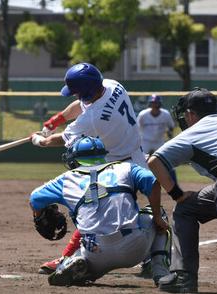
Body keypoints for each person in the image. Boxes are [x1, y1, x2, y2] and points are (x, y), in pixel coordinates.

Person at [31, 62, 148, 274]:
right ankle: (153, 256)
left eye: (77, 92)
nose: (75, 96)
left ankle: (69, 258)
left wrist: (40, 141)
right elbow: (80, 105)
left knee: (91, 209)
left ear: (86, 92)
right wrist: (54, 121)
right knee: (98, 210)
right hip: (134, 154)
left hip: (118, 167)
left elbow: (61, 139)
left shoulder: (93, 119)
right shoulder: (112, 85)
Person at [29, 136, 171, 286]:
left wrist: (39, 215)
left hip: (95, 252)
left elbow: (35, 198)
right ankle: (161, 273)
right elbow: (153, 181)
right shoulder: (125, 167)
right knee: (159, 215)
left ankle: (78, 263)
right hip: (133, 248)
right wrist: (156, 216)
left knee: (87, 255)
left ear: (74, 159)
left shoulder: (66, 179)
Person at [147, 87, 217, 293]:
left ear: (190, 114)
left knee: (185, 208)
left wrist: (177, 194)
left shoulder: (192, 132)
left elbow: (155, 162)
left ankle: (184, 278)